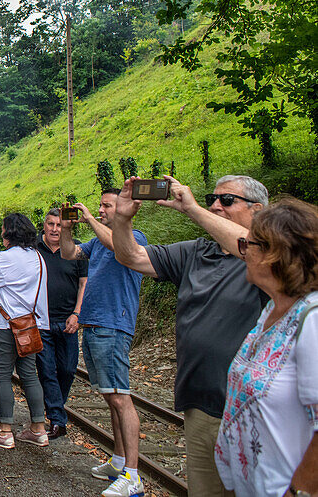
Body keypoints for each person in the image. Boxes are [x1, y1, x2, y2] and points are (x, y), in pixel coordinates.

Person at [110, 175, 269, 497]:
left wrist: (193, 210)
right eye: (213, 198)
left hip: (251, 411)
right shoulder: (197, 252)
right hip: (200, 405)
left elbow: (255, 247)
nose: (215, 205)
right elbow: (132, 257)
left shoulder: (269, 259)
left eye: (226, 200)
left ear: (258, 211)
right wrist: (123, 220)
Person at [215, 198, 318, 497]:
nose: (242, 252)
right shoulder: (272, 310)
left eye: (249, 245)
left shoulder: (312, 319)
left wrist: (298, 491)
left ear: (279, 254)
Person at [61, 190, 147, 497]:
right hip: (95, 325)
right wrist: (68, 231)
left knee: (121, 398)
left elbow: (119, 246)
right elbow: (69, 253)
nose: (100, 210)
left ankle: (133, 475)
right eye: (99, 206)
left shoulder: (135, 237)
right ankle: (120, 461)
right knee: (111, 397)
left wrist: (89, 219)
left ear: (123, 209)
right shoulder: (96, 243)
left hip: (113, 324)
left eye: (106, 206)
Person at [0, 212, 50, 449]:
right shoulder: (36, 256)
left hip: (6, 326)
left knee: (2, 375)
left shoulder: (6, 258)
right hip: (30, 325)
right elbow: (15, 274)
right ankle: (38, 429)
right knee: (30, 375)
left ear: (9, 233)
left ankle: (4, 431)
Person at [36, 208, 88, 439]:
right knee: (47, 371)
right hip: (41, 321)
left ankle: (54, 407)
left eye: (59, 225)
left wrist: (77, 314)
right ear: (44, 225)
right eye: (51, 224)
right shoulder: (34, 249)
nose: (55, 229)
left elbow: (83, 284)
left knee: (67, 369)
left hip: (68, 320)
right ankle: (57, 419)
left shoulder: (77, 249)